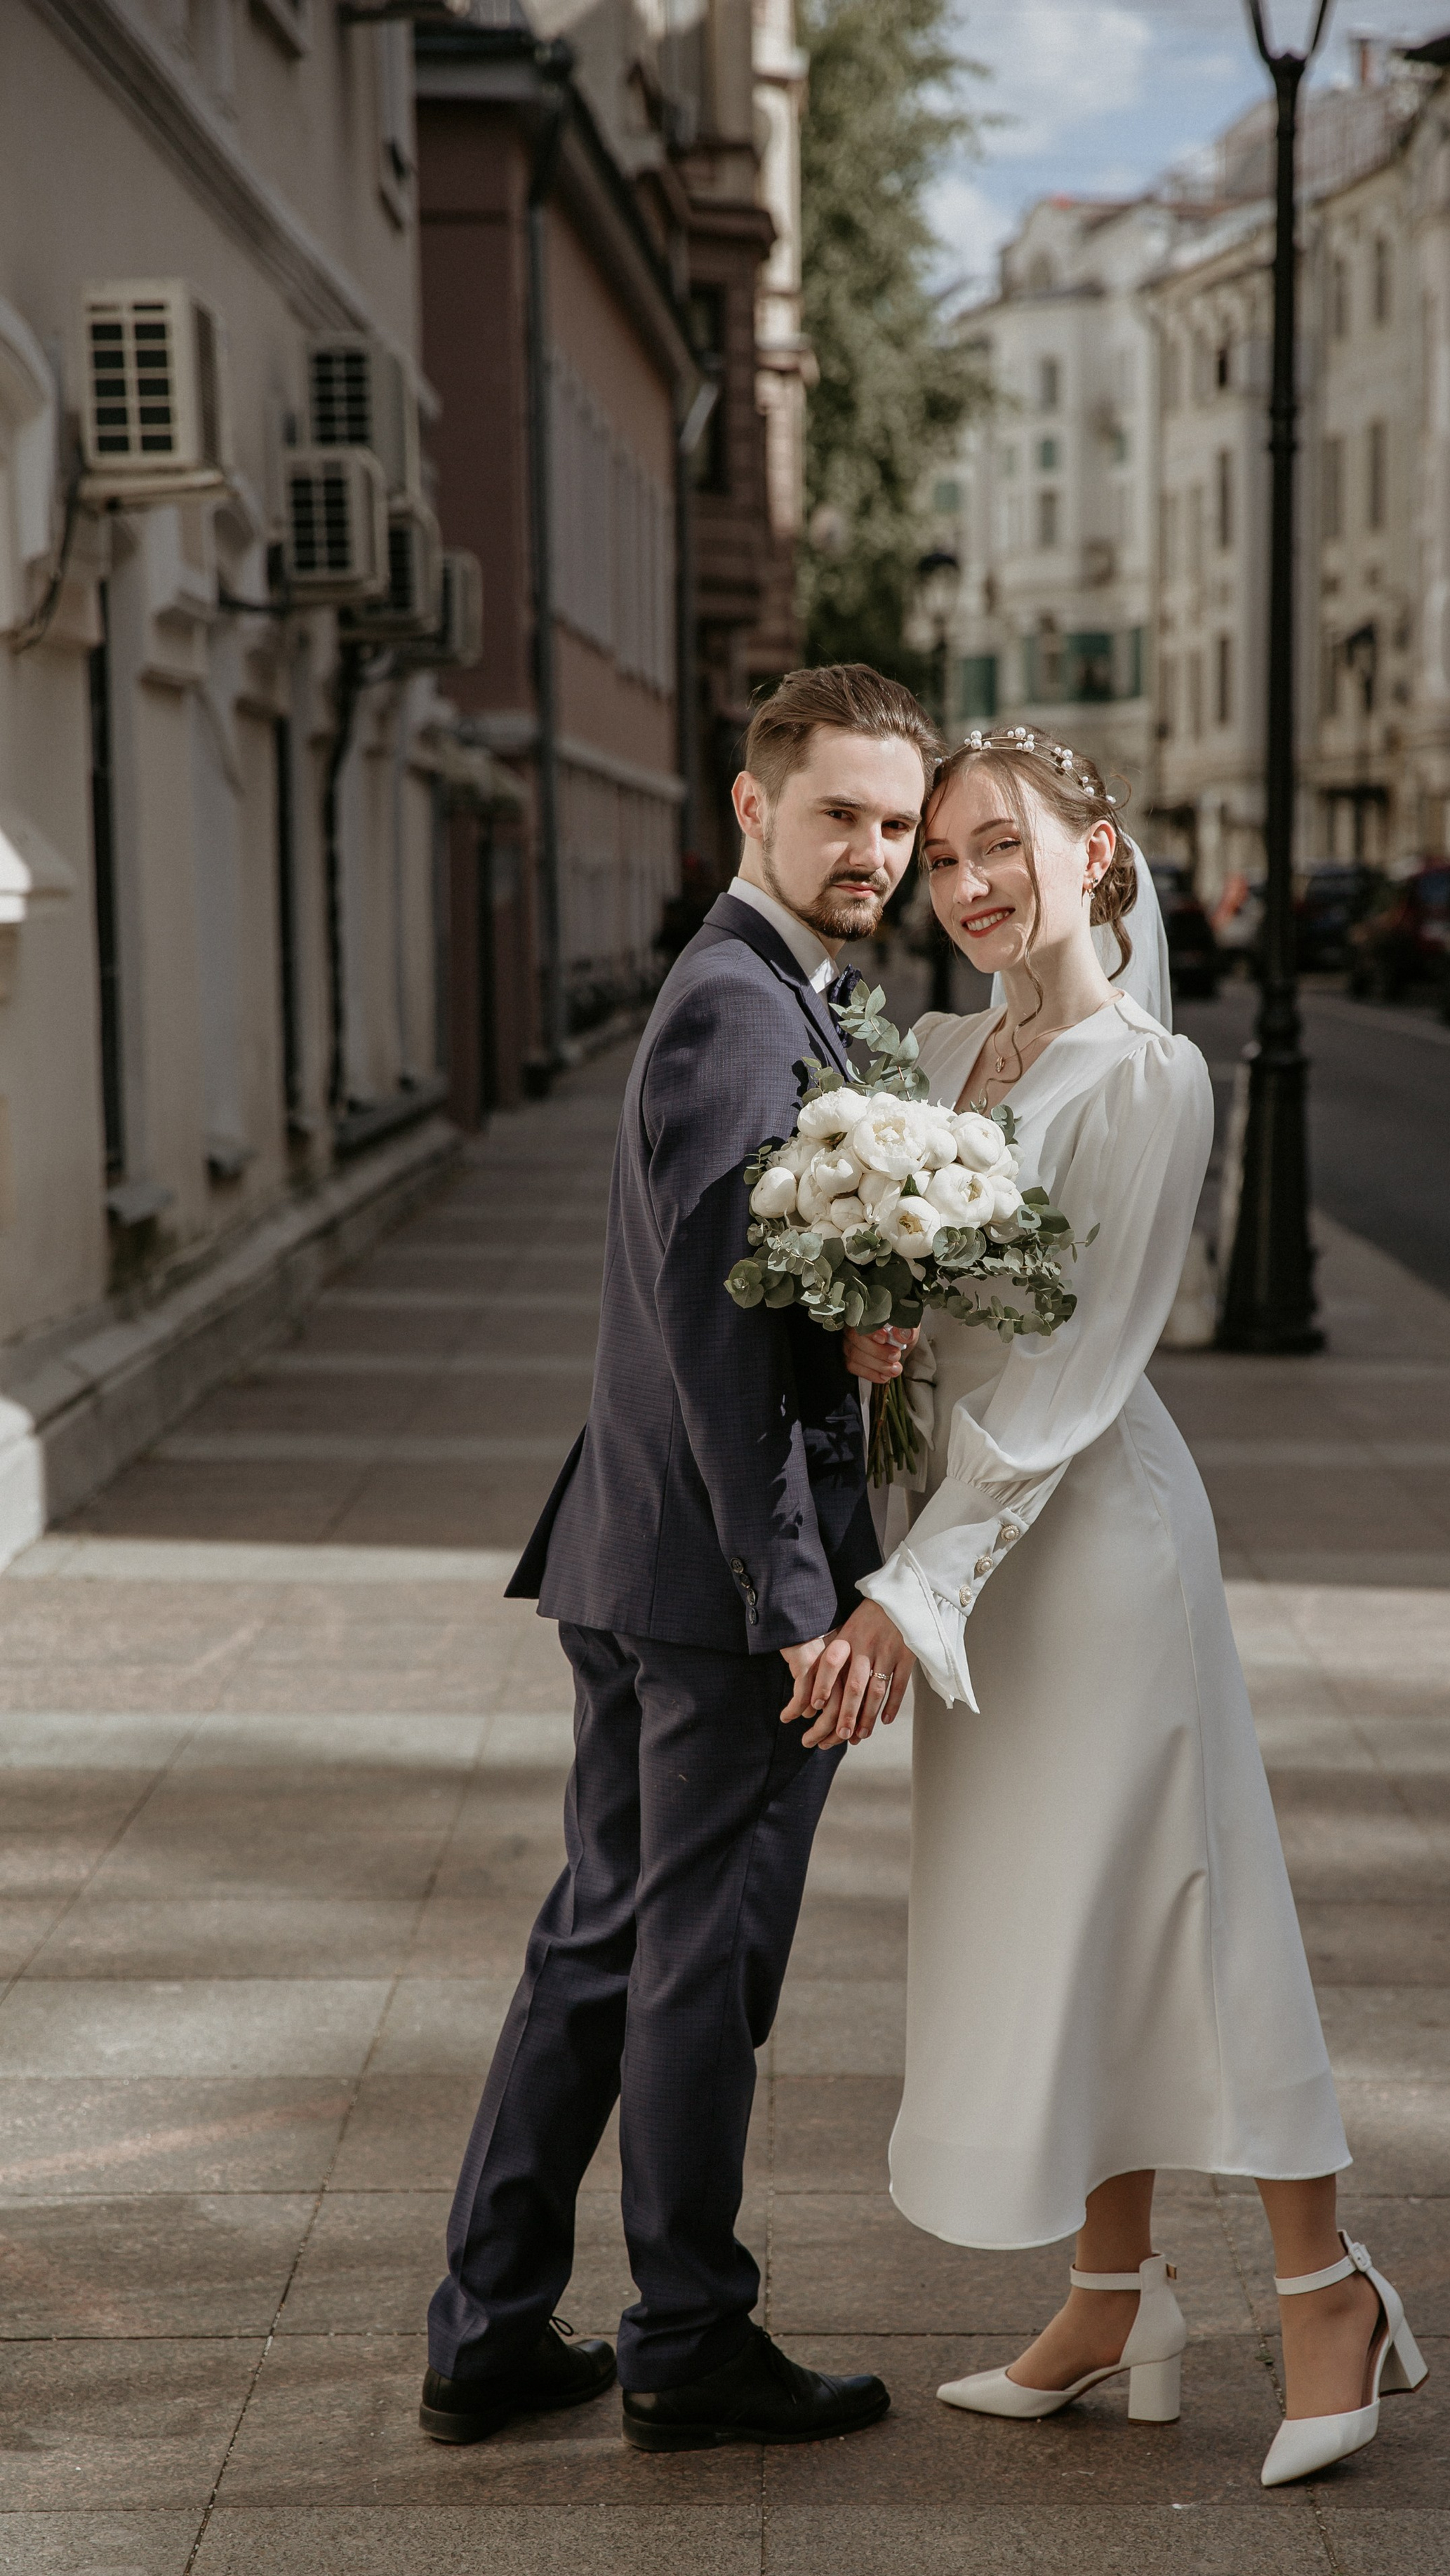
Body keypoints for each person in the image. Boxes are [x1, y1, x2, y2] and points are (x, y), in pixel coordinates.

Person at [813, 728, 1428, 2486]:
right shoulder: (933, 1052)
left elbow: (1076, 1379)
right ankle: (1110, 2298)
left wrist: (904, 1588)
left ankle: (1327, 2294)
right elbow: (913, 1305)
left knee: (1188, 1906)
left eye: (998, 843)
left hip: (1086, 1545)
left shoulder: (1144, 1078)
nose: (968, 883)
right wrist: (872, 1341)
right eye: (939, 859)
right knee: (1060, 1918)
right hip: (973, 1537)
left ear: (1097, 853)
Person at [420, 665, 933, 2452]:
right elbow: (716, 1335)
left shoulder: (771, 989)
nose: (872, 850)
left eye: (895, 822)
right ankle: (691, 2337)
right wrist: (799, 1607)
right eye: (839, 816)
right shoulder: (739, 1006)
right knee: (693, 1962)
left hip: (636, 1555)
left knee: (603, 1940)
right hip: (715, 1589)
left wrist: (853, 1331)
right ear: (750, 808)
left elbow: (746, 1300)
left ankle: (487, 2329)